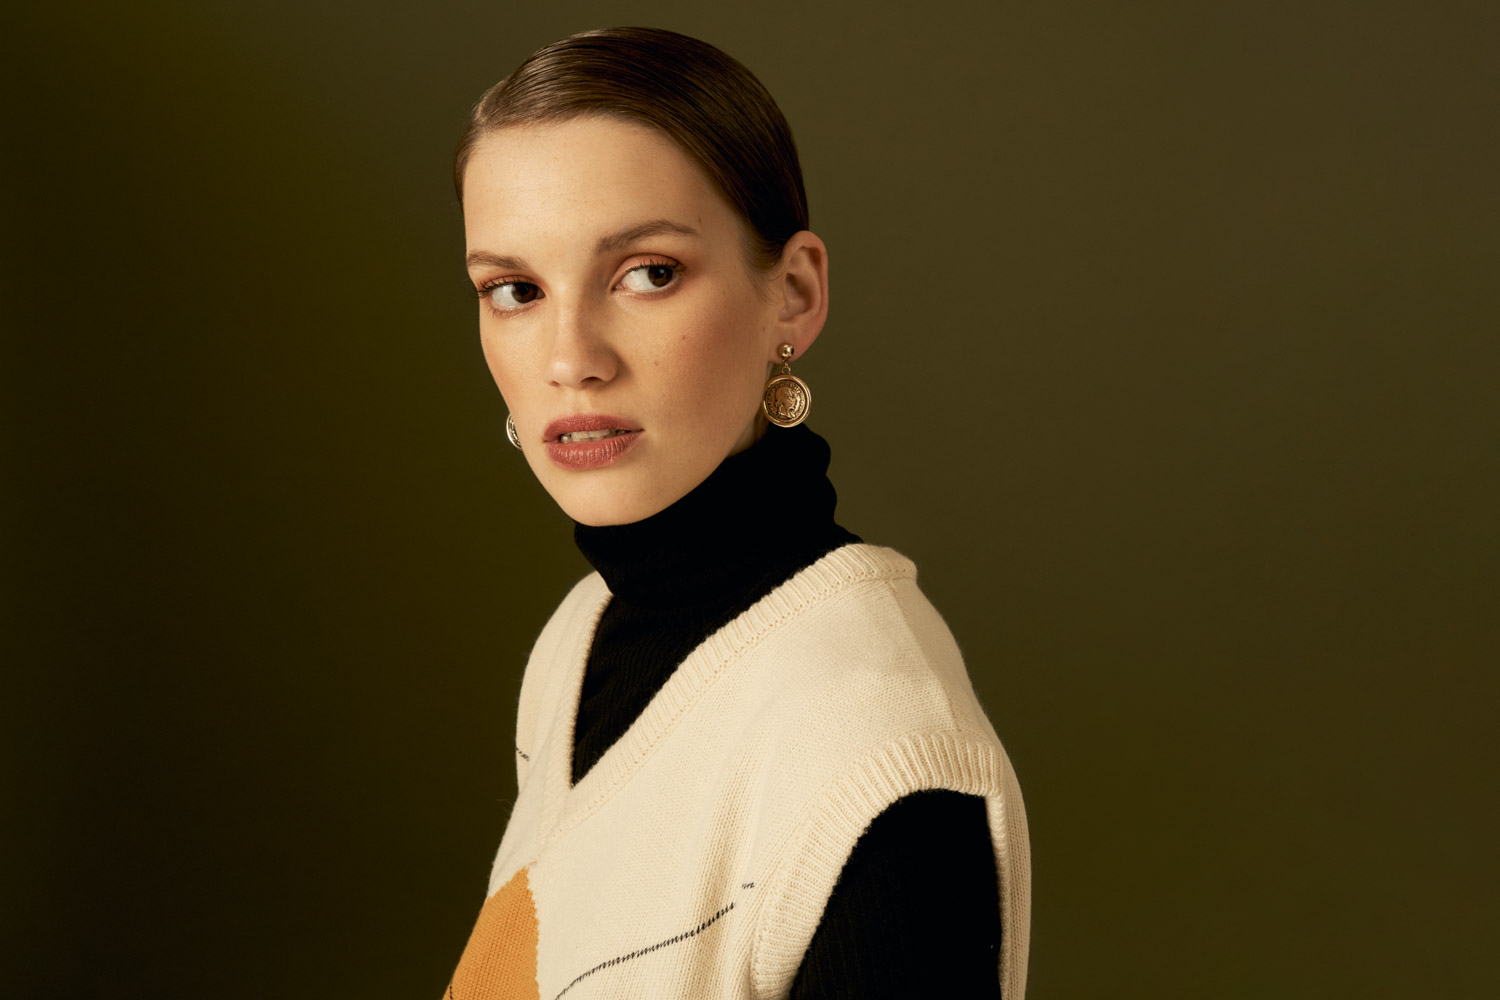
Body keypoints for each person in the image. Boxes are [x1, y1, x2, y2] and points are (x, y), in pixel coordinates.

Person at [443, 27, 1030, 999]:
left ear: (792, 295)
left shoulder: (881, 761)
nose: (570, 357)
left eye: (648, 273)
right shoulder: (581, 638)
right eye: (515, 290)